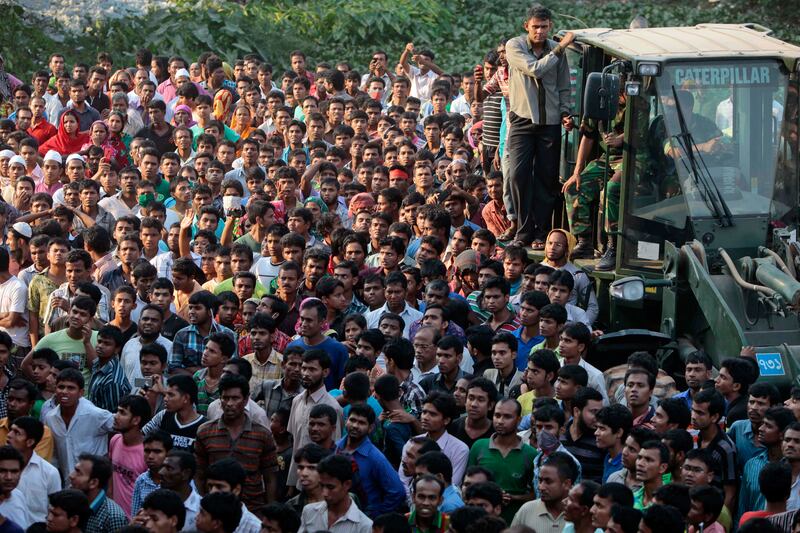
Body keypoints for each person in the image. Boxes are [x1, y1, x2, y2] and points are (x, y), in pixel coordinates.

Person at [502, 6, 573, 248]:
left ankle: (542, 232)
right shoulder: (515, 46)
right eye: (536, 27)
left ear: (550, 26)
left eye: (544, 27)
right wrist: (562, 46)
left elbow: (564, 85)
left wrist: (566, 111)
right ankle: (523, 231)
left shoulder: (557, 51)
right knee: (518, 176)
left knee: (547, 178)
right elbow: (535, 69)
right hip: (522, 120)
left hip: (550, 122)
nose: (540, 32)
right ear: (527, 26)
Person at [194, 374, 278, 509]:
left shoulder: (263, 434)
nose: (229, 404)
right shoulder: (205, 432)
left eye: (235, 398)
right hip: (215, 508)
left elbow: (270, 478)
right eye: (225, 398)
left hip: (253, 508)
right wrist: (205, 502)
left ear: (245, 400)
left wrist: (269, 510)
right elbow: (199, 474)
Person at [468, 398, 536, 522]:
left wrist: (513, 497)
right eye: (497, 415)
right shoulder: (479, 447)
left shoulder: (530, 454)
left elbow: (536, 493)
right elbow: (467, 484)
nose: (500, 421)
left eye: (507, 417)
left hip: (514, 521)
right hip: (479, 521)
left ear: (519, 420)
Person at [335, 403, 406, 517]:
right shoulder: (335, 448)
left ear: (371, 428)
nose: (355, 425)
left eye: (361, 422)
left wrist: (377, 517)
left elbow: (397, 491)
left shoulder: (375, 458)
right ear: (346, 421)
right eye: (352, 420)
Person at [44, 368, 114, 482]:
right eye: (61, 387)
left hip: (94, 484)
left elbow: (122, 425)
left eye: (71, 388)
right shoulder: (50, 418)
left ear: (81, 392)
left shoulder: (94, 414)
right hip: (68, 484)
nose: (64, 391)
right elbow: (54, 455)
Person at [298, 454, 372, 533]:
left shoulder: (365, 526)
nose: (324, 493)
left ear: (347, 484)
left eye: (330, 487)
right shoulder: (309, 512)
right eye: (322, 486)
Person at [7, 416, 60, 523]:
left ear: (30, 442)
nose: (9, 435)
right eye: (11, 430)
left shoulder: (49, 473)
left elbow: (55, 510)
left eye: (17, 433)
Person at [286, 299, 348, 390]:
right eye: (302, 319)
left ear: (322, 322)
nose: (303, 324)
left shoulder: (338, 350)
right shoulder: (292, 347)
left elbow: (342, 385)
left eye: (309, 320)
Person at [691, 388, 737, 509]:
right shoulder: (699, 436)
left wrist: (720, 522)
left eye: (700, 413)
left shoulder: (725, 448)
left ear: (714, 417)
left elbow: (730, 494)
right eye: (693, 410)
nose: (693, 416)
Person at [109, 395, 152, 517]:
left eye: (122, 413)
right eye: (117, 411)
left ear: (136, 420)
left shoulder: (147, 452)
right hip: (115, 518)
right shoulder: (115, 440)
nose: (116, 416)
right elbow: (111, 476)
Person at [511, 452, 576, 531]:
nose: (540, 487)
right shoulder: (526, 511)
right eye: (540, 480)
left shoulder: (579, 515)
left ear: (566, 484)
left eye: (548, 482)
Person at [67, 454, 127, 533]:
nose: (71, 476)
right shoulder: (72, 503)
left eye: (78, 473)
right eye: (75, 470)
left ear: (93, 483)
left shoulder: (113, 516)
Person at [203, 458, 261, 533]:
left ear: (236, 490)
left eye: (219, 487)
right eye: (210, 486)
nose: (212, 492)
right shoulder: (202, 520)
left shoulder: (255, 529)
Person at [131, 431, 172, 517]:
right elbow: (136, 517)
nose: (150, 456)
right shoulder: (141, 481)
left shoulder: (178, 480)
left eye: (157, 451)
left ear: (168, 453)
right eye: (147, 451)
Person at [157, 450, 201, 530]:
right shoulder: (154, 500)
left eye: (169, 468)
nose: (161, 472)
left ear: (186, 473)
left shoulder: (201, 510)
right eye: (162, 467)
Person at [594, 404, 633, 483]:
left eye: (602, 428)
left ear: (619, 432)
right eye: (596, 428)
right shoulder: (608, 457)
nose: (596, 433)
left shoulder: (626, 465)